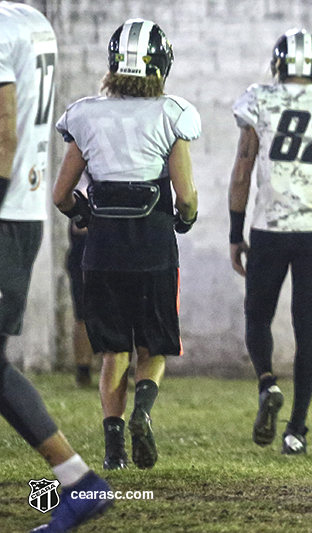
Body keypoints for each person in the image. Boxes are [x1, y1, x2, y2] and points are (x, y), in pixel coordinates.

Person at [53, 18, 200, 471]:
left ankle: (113, 446)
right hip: (153, 244)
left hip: (103, 249)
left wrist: (84, 213)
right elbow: (186, 195)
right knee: (152, 347)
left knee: (113, 351)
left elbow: (62, 195)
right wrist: (186, 219)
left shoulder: (85, 114)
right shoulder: (171, 113)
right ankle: (142, 411)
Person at [0, 2, 112, 530]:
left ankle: (78, 481)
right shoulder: (29, 19)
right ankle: (76, 481)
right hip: (20, 211)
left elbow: (4, 133)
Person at [229, 28, 312, 455]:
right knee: (308, 329)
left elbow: (242, 171)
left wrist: (235, 230)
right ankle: (297, 430)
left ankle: (267, 382)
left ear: (277, 65)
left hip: (269, 227)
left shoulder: (259, 99)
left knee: (257, 317)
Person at [66, 178, 93, 388]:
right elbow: (79, 228)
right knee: (83, 316)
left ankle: (115, 372)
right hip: (83, 261)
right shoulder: (84, 190)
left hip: (102, 259)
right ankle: (83, 371)